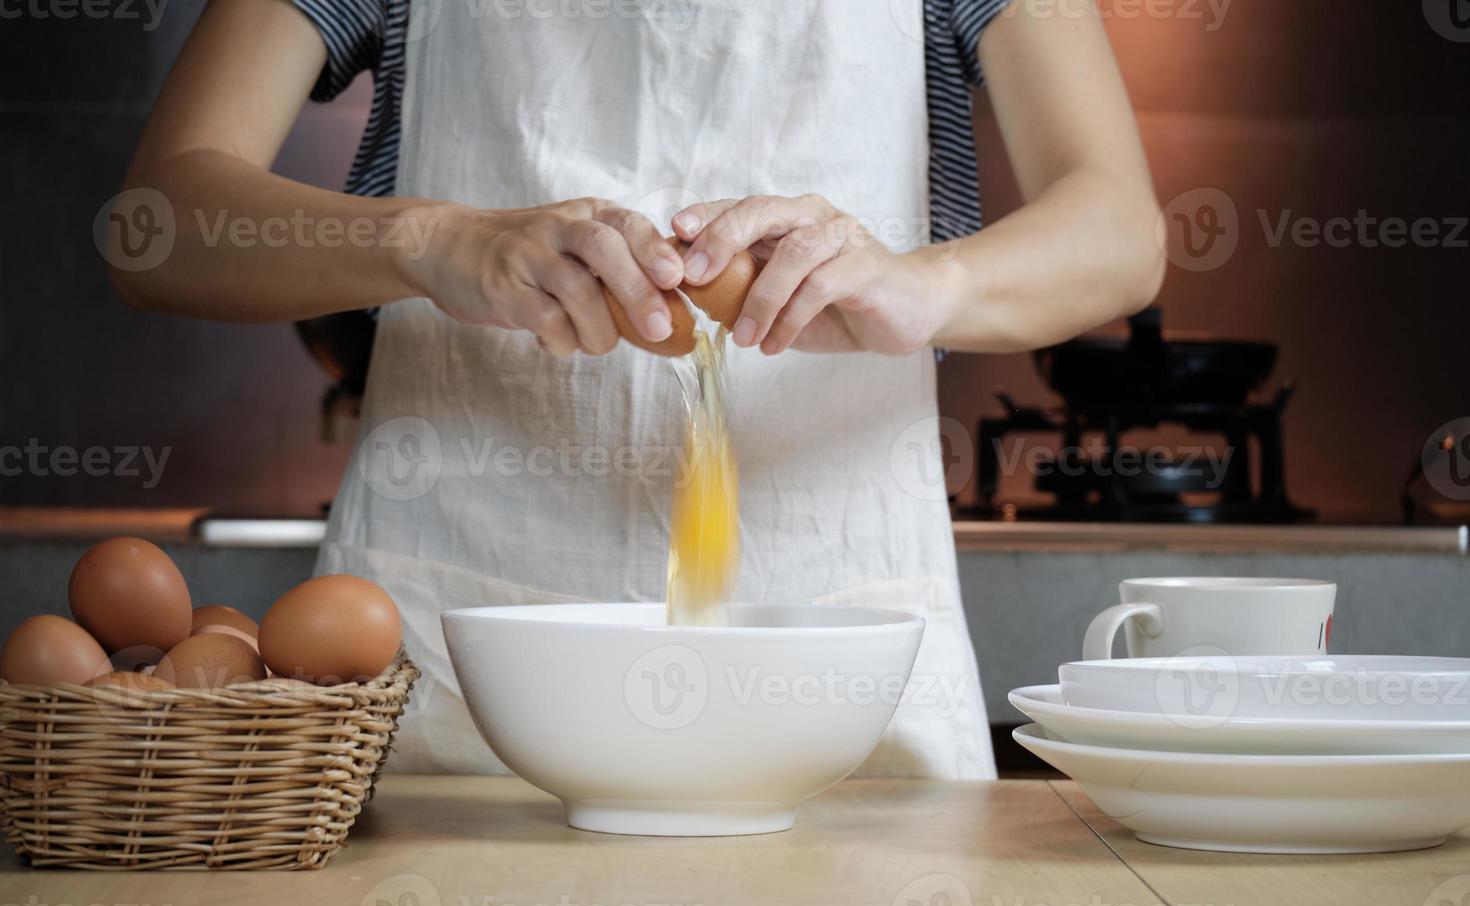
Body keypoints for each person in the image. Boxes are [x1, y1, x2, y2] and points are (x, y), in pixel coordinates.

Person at [112, 0, 1163, 777]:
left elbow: (1120, 225)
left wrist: (925, 282)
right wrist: (435, 239)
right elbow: (154, 225)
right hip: (460, 663)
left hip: (839, 665)